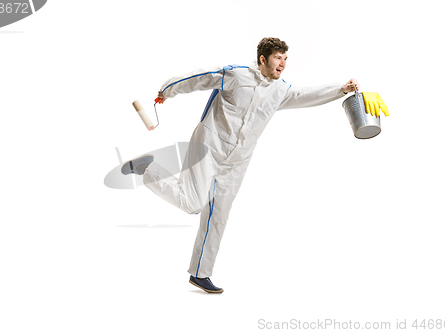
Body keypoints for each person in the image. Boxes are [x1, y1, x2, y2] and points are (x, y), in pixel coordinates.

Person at [123, 37, 359, 293]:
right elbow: (199, 77)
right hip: (208, 147)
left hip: (237, 162)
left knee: (218, 215)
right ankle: (146, 169)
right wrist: (167, 90)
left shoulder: (281, 91)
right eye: (278, 58)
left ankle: (200, 274)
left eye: (285, 59)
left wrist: (341, 89)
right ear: (262, 59)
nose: (282, 64)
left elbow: (305, 95)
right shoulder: (236, 75)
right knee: (193, 203)